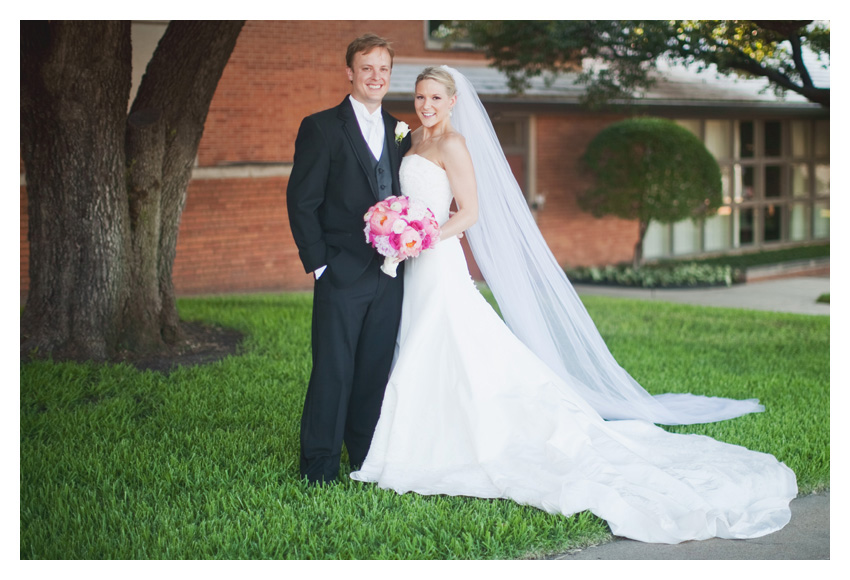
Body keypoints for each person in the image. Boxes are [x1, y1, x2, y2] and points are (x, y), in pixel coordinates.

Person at [350, 66, 797, 544]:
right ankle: (416, 433)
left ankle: (433, 442)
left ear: (453, 101)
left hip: (434, 259)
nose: (426, 105)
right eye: (420, 96)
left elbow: (471, 212)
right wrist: (395, 231)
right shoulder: (410, 138)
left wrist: (420, 238)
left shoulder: (454, 145)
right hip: (410, 265)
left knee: (445, 339)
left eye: (435, 97)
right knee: (421, 340)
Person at [286, 34, 411, 485]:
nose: (376, 77)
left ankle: (364, 457)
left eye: (384, 69)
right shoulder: (321, 127)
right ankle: (319, 465)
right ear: (350, 74)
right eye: (367, 69)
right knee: (333, 370)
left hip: (390, 273)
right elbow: (302, 201)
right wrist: (321, 265)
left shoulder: (401, 131)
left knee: (375, 368)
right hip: (340, 270)